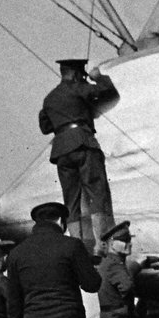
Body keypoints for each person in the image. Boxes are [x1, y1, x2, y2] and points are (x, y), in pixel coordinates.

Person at [39, 58, 118, 256]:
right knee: (97, 191)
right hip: (83, 143)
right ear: (75, 74)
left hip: (61, 150)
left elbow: (45, 127)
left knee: (71, 200)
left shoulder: (49, 99)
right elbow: (106, 91)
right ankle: (101, 244)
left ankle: (77, 244)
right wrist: (98, 77)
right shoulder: (78, 88)